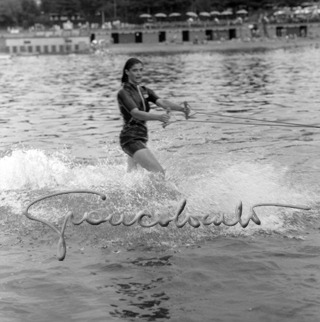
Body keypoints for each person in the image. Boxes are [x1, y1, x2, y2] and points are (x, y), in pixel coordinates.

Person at [117, 57, 190, 176]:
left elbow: (163, 102)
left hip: (140, 138)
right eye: (135, 70)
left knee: (132, 179)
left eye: (141, 70)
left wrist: (182, 109)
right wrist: (158, 117)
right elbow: (135, 113)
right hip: (130, 139)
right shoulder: (124, 93)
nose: (139, 73)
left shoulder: (145, 91)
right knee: (159, 173)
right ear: (127, 72)